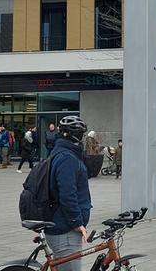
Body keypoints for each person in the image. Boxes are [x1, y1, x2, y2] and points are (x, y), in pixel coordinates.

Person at [47, 116, 92, 271]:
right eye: (81, 134)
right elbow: (67, 194)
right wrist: (76, 222)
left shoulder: (61, 153)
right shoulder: (67, 158)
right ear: (74, 136)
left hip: (61, 226)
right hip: (65, 230)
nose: (82, 138)